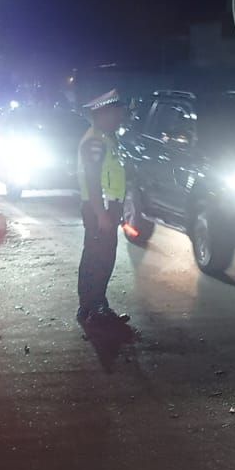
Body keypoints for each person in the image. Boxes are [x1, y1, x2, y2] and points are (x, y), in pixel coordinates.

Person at [76, 89, 132, 334]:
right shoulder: (95, 141)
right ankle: (93, 308)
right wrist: (101, 214)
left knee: (98, 256)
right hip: (101, 207)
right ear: (104, 114)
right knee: (99, 258)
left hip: (109, 206)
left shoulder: (106, 138)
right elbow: (92, 180)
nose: (120, 117)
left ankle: (94, 306)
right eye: (117, 113)